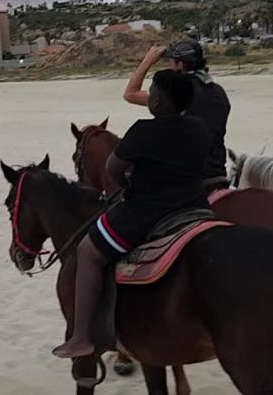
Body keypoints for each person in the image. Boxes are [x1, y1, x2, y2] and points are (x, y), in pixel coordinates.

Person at [52, 69, 213, 359]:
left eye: (152, 91)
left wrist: (128, 186)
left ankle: (82, 337)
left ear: (159, 102)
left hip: (148, 210)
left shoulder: (143, 130)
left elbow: (113, 170)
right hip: (195, 206)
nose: (149, 95)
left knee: (89, 251)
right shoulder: (200, 127)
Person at [123, 40, 231, 193]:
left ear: (180, 65)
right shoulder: (219, 92)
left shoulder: (176, 92)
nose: (169, 66)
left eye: (171, 62)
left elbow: (130, 94)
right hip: (217, 171)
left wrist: (147, 62)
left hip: (184, 175)